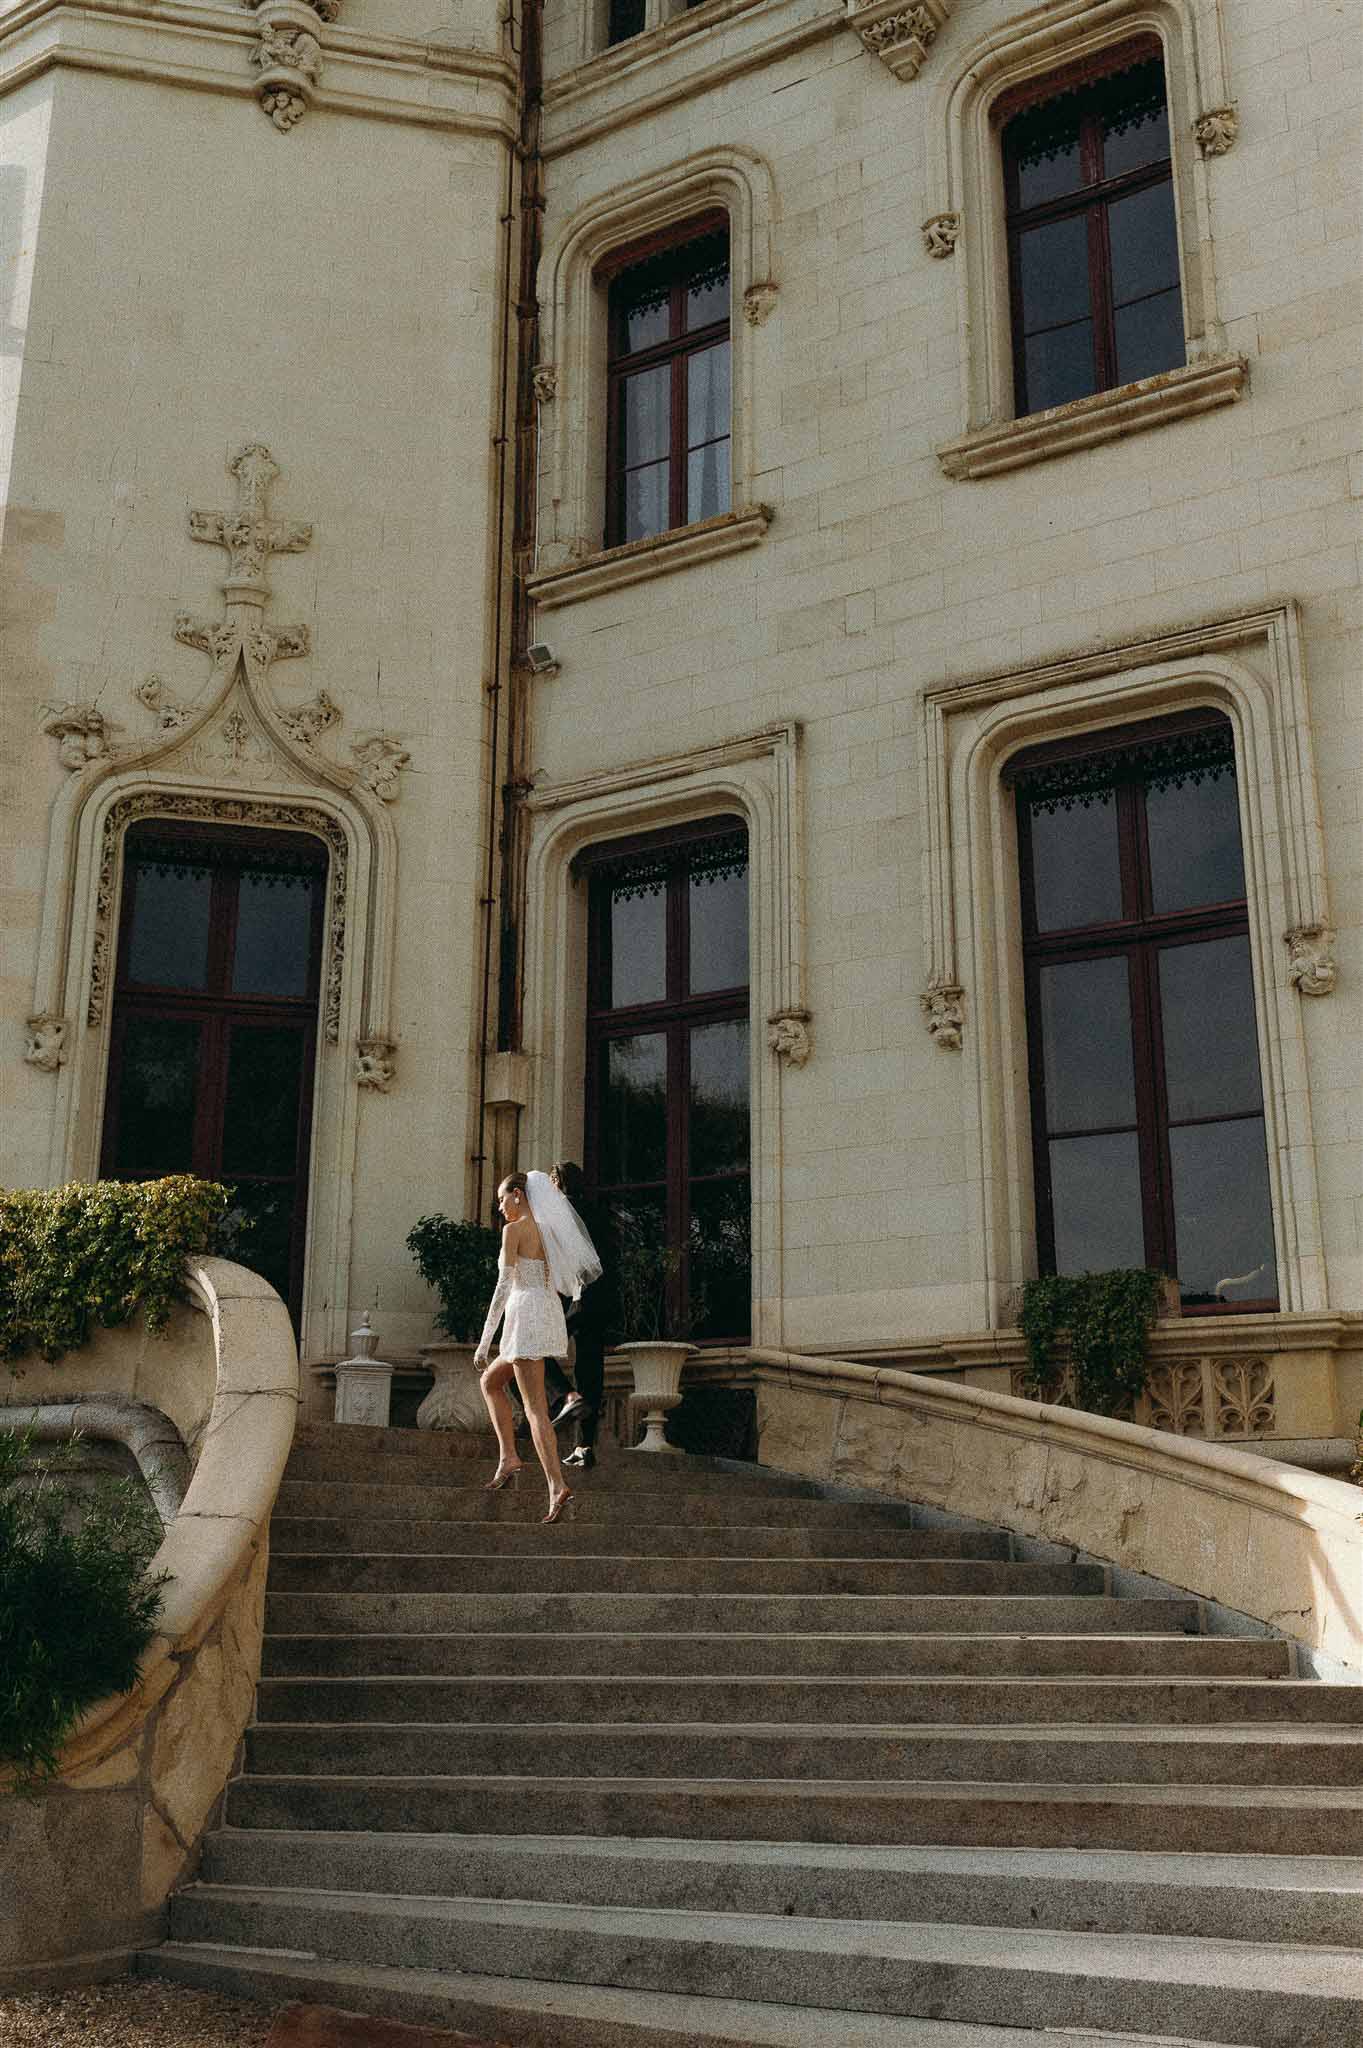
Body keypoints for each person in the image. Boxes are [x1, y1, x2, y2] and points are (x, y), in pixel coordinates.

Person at [473, 1169, 601, 1524]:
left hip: (525, 1313)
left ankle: (556, 1486)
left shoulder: (514, 1230)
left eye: (502, 1199)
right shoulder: (549, 1230)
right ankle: (509, 1457)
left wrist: (484, 1343)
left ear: (518, 1193)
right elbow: (563, 1282)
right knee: (491, 1383)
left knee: (535, 1409)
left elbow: (502, 1288)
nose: (500, 1208)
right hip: (542, 1312)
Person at [549, 1161, 613, 1471]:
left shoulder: (562, 1213)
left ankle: (565, 1396)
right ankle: (585, 1446)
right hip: (602, 1302)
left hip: (577, 1299)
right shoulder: (599, 1211)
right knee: (591, 1370)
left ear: (559, 1182)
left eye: (551, 1179)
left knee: (535, 1349)